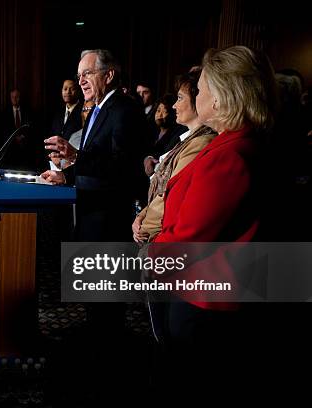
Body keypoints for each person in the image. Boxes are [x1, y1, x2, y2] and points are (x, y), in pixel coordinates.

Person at [148, 46, 279, 395]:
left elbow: (189, 239)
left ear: (220, 100)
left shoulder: (231, 156)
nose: (196, 94)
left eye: (201, 89)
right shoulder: (232, 143)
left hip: (204, 303)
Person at [42, 49, 147, 241]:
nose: (80, 81)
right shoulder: (94, 111)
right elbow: (91, 160)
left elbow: (121, 166)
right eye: (79, 75)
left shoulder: (125, 109)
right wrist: (65, 176)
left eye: (87, 73)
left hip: (109, 220)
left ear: (109, 75)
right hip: (87, 213)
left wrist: (74, 156)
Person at [132, 69, 217, 243]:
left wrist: (145, 228)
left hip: (161, 238)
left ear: (198, 101)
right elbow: (160, 192)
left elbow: (171, 196)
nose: (174, 106)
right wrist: (140, 216)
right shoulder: (187, 139)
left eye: (180, 98)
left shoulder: (201, 142)